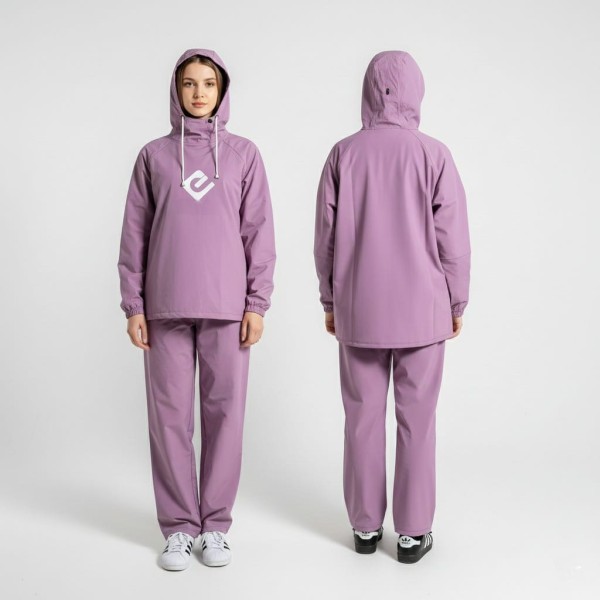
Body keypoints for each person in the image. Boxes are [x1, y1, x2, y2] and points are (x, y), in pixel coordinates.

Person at [117, 48, 276, 570]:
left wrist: (257, 303)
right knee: (169, 419)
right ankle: (179, 528)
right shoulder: (153, 157)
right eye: (189, 83)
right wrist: (133, 305)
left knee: (225, 417)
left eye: (209, 83)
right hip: (164, 307)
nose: (199, 92)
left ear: (222, 91)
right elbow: (134, 235)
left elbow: (259, 233)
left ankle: (216, 527)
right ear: (176, 90)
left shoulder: (244, 155)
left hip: (228, 307)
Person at [313, 50, 471, 564]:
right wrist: (456, 299)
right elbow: (453, 239)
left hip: (359, 307)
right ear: (415, 93)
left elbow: (326, 238)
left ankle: (364, 528)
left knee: (361, 419)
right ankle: (412, 533)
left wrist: (330, 299)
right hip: (424, 309)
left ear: (367, 91)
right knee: (417, 421)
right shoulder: (434, 154)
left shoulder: (343, 154)